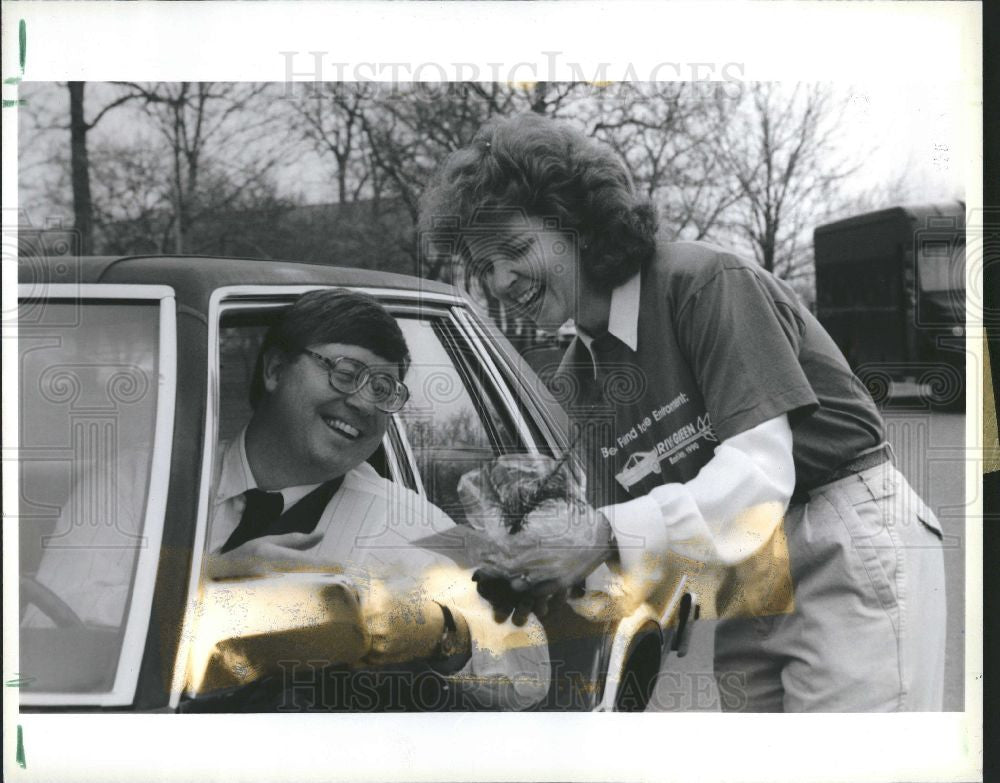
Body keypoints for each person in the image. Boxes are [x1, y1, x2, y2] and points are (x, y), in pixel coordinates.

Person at [418, 112, 947, 712]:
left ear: (579, 228)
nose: (502, 280)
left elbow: (759, 473)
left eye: (514, 249)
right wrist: (538, 570)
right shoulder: (576, 378)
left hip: (836, 534)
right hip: (749, 577)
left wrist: (599, 534)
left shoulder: (701, 283)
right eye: (484, 266)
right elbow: (628, 535)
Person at [26, 288, 550, 711]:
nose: (363, 402)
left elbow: (530, 668)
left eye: (385, 389)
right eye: (345, 373)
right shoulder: (138, 482)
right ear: (275, 370)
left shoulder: (408, 521)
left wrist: (444, 632)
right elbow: (46, 633)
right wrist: (206, 578)